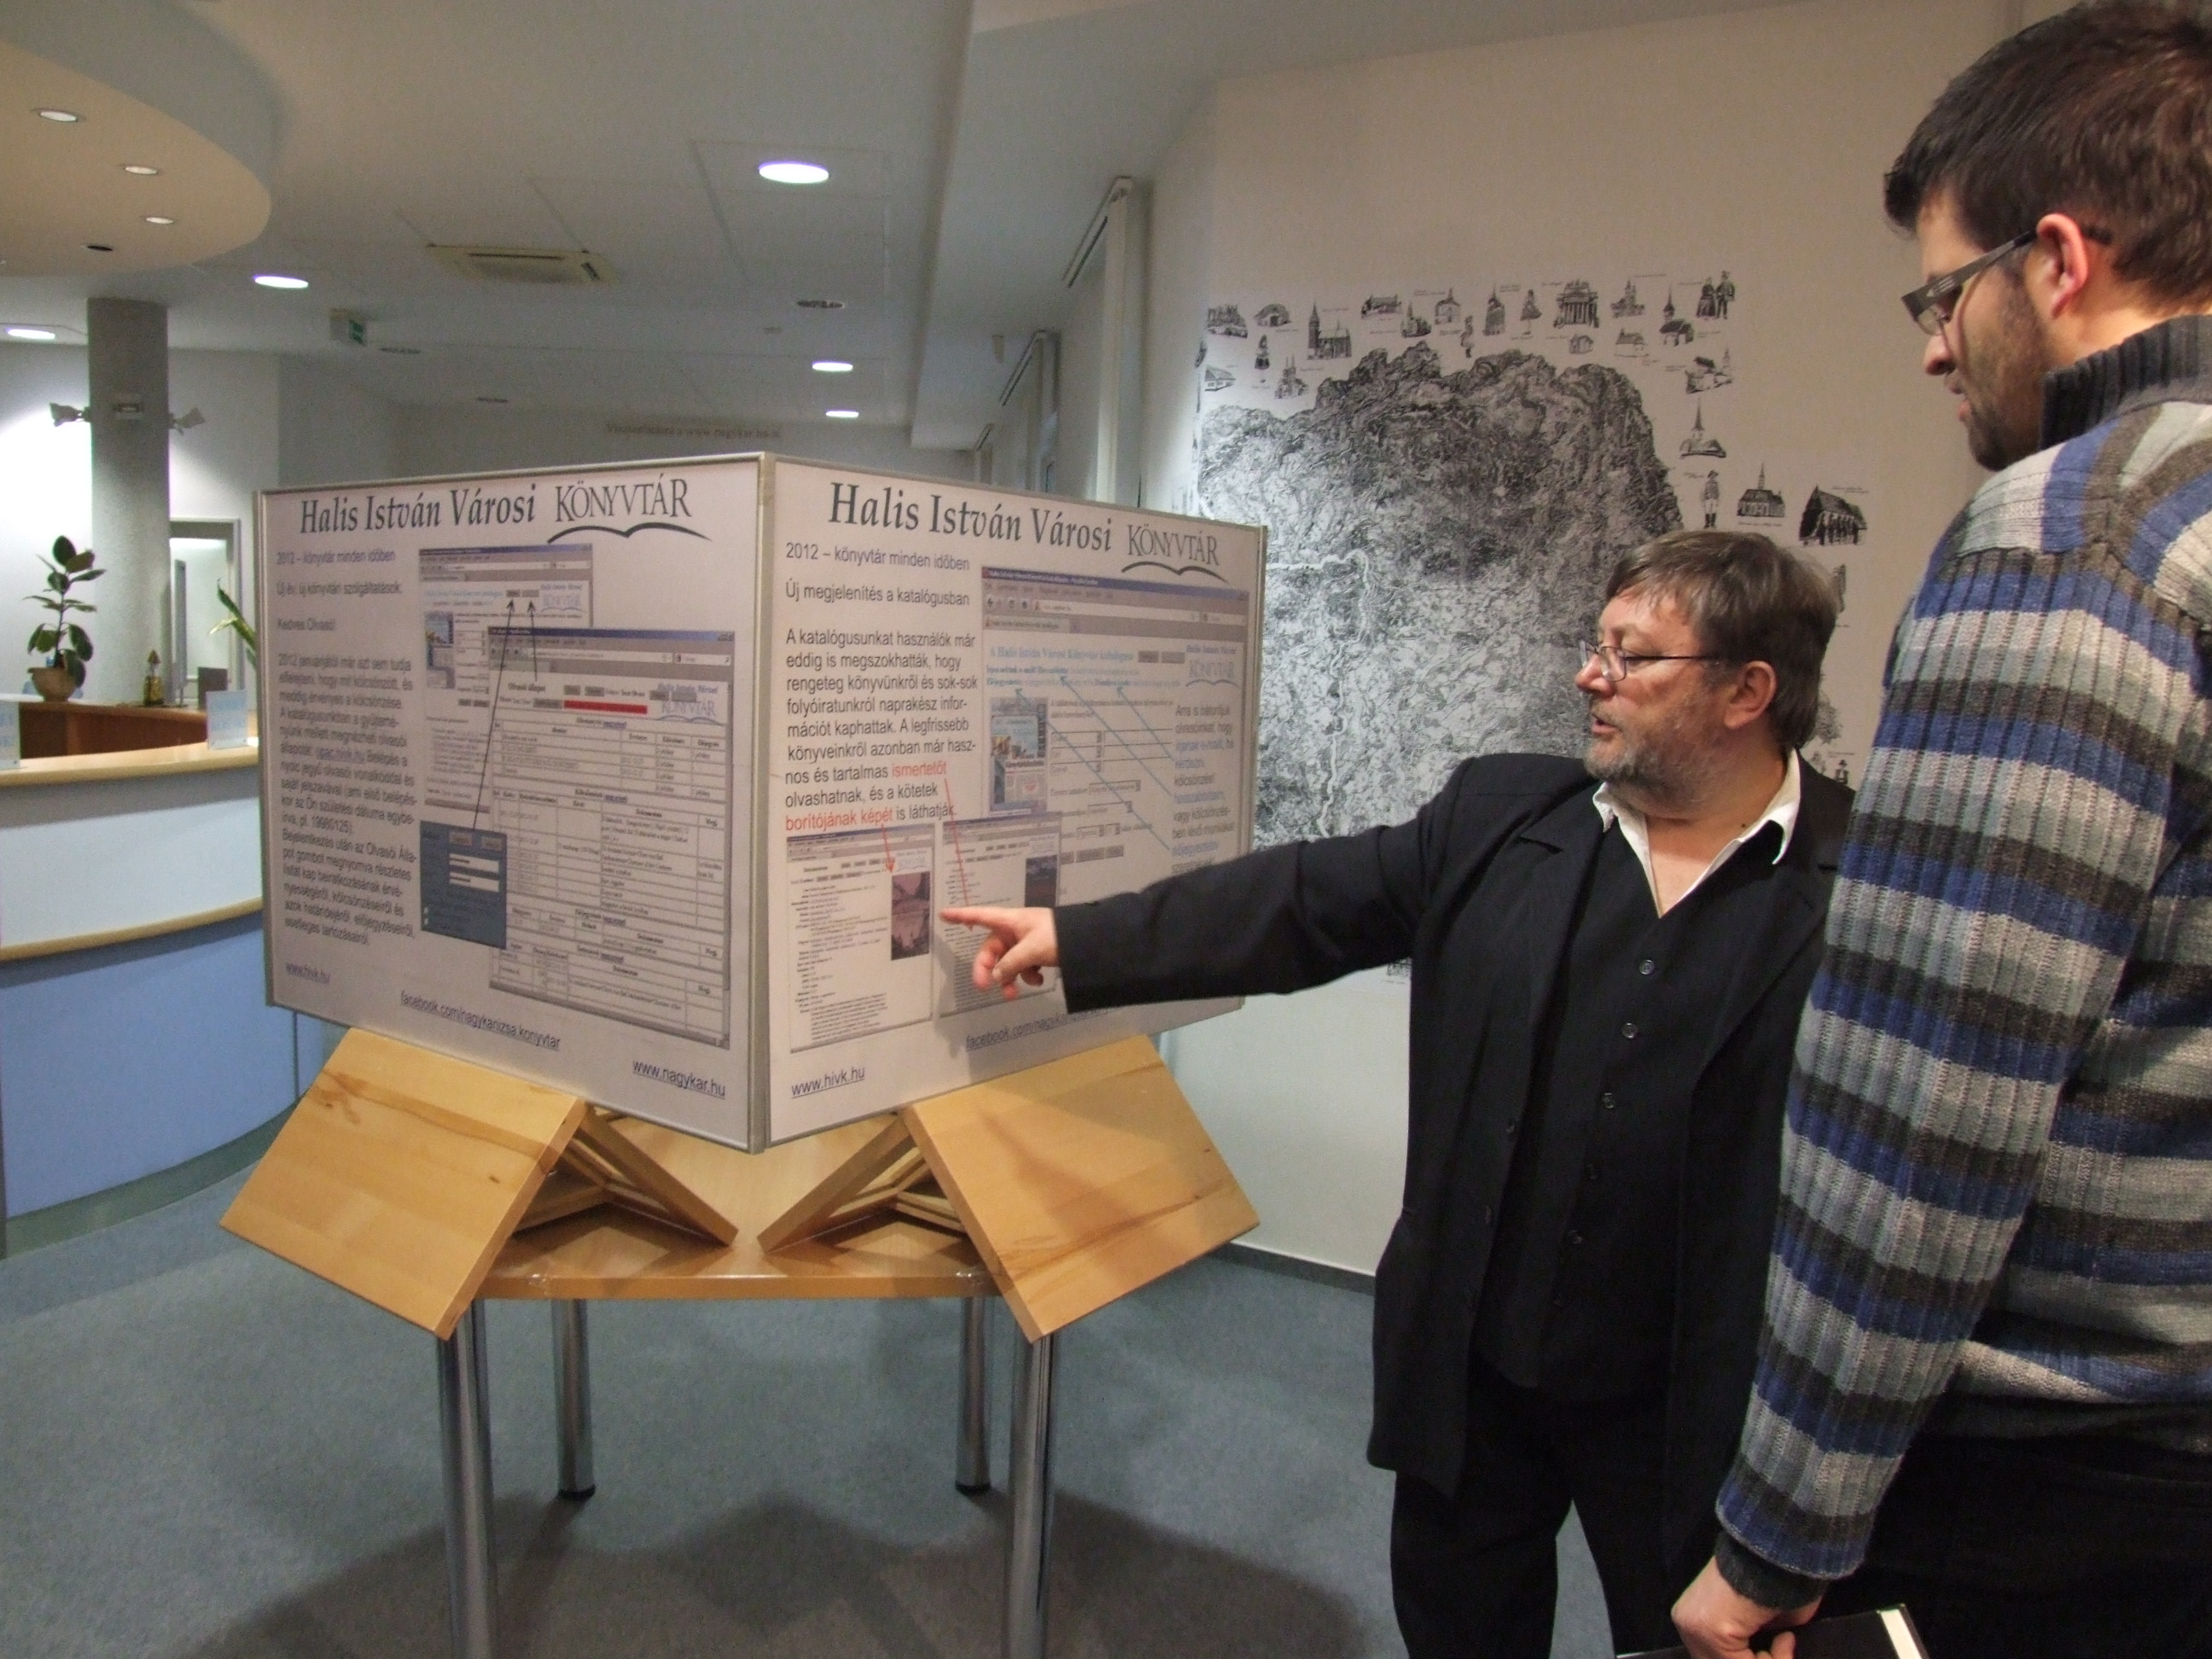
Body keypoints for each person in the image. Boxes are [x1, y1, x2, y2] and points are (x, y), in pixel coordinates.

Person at [946, 530, 1846, 1658]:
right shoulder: (1503, 819)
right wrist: (1081, 938)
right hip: (1477, 1368)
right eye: (1598, 644)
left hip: (1695, 1404)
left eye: (1633, 655)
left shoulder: (1866, 884)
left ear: (1747, 693)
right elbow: (1302, 902)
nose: (1590, 675)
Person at [1672, 9, 2212, 1659]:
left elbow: (1933, 1098)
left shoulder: (2077, 532)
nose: (1932, 348)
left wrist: (1779, 1528)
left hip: (2072, 1473)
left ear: (2059, 260)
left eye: (1941, 294)